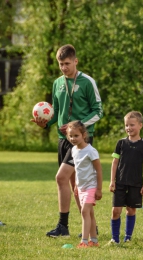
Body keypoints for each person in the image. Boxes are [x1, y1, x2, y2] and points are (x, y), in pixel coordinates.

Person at [31, 44, 103, 237]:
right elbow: (56, 111)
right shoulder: (57, 83)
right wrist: (45, 124)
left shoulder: (87, 82)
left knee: (60, 178)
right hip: (63, 139)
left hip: (80, 141)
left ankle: (63, 226)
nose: (64, 68)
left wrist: (78, 125)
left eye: (67, 63)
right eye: (61, 64)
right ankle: (90, 227)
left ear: (76, 61)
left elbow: (98, 112)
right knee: (74, 185)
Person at [108, 111, 143, 244]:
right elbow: (115, 163)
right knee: (116, 210)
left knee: (131, 210)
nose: (129, 128)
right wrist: (112, 181)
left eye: (132, 125)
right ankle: (115, 239)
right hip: (120, 182)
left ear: (140, 125)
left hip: (136, 183)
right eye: (126, 125)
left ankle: (128, 237)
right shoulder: (121, 143)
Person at [66, 121, 102, 248]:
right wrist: (76, 185)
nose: (73, 138)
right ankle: (94, 240)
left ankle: (84, 241)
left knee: (85, 212)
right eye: (70, 136)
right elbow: (78, 168)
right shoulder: (73, 150)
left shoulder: (91, 151)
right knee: (90, 213)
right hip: (81, 187)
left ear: (84, 135)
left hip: (91, 186)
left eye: (76, 135)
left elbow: (99, 170)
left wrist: (99, 189)